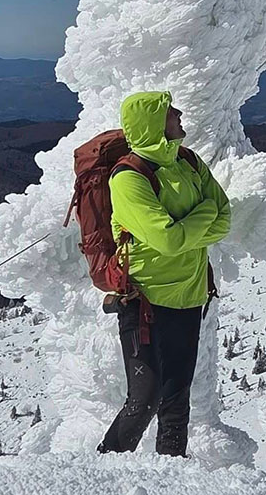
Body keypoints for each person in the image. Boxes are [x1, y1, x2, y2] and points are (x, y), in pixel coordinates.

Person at [96, 90, 230, 457]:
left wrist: (190, 224)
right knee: (146, 396)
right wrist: (203, 213)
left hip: (189, 296)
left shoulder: (188, 160)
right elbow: (168, 240)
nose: (180, 114)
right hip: (144, 300)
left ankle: (171, 475)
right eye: (172, 112)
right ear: (154, 125)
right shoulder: (128, 178)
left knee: (176, 397)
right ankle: (102, 471)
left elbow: (225, 219)